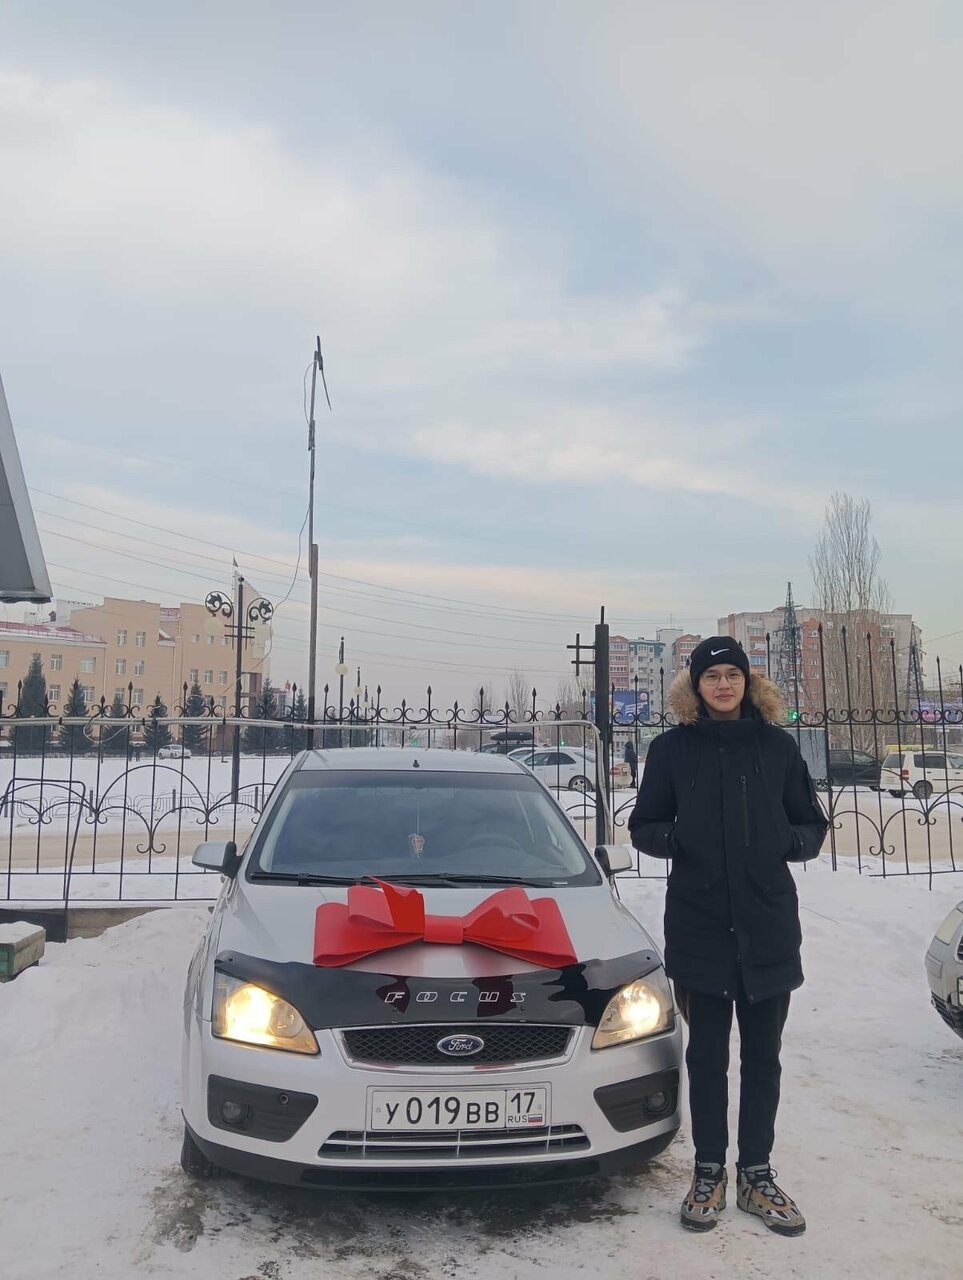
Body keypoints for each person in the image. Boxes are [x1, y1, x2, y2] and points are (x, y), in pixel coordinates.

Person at [628, 637, 827, 1237]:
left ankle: (756, 1174)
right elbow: (644, 825)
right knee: (707, 1058)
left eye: (732, 675)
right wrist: (679, 840)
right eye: (711, 675)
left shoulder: (777, 747)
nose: (722, 685)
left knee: (764, 1059)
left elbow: (811, 825)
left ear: (747, 682)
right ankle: (709, 1172)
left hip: (767, 926)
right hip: (701, 926)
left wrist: (782, 843)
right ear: (695, 685)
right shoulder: (672, 750)